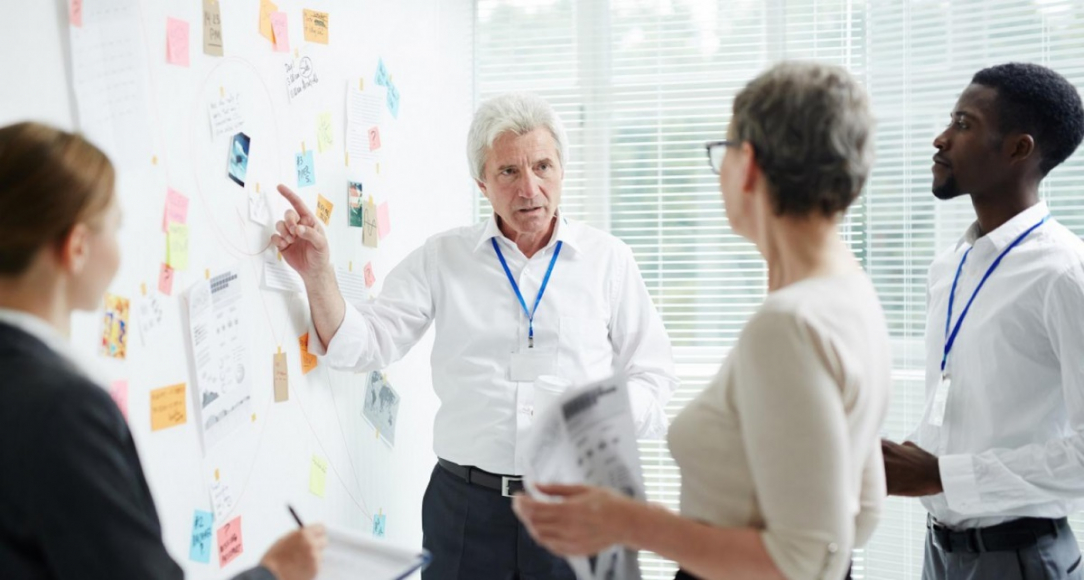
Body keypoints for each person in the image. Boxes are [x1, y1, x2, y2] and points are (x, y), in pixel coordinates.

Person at [271, 92, 678, 579]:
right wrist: (318, 272)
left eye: (543, 166)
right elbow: (364, 343)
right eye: (508, 171)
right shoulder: (444, 258)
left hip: (578, 506)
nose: (530, 188)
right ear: (482, 183)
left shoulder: (610, 261)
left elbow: (653, 381)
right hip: (464, 510)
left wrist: (594, 418)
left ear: (563, 172)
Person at [513, 61, 891, 580]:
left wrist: (626, 521)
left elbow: (801, 560)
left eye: (725, 152)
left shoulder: (788, 326)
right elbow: (860, 516)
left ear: (749, 164)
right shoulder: (850, 292)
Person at [0, 122, 328, 580]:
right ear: (76, 248)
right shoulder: (64, 410)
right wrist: (276, 572)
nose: (119, 246)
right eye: (115, 226)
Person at [882, 62, 1084, 580]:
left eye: (964, 125)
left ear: (1019, 148)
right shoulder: (950, 265)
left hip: (1021, 560)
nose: (941, 138)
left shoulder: (1065, 273)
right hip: (940, 555)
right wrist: (914, 455)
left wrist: (940, 474)